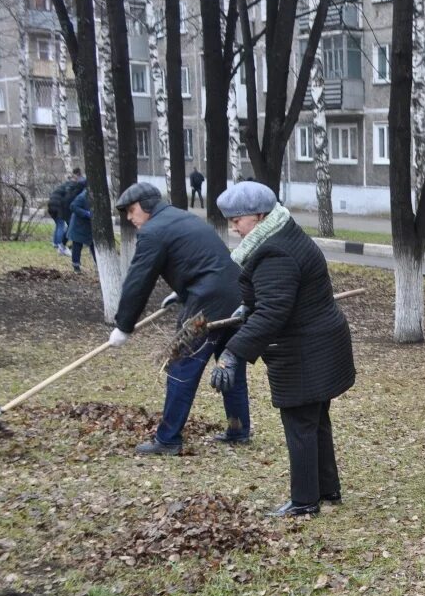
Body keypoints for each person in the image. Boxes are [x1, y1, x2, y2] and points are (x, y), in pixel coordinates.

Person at [211, 181, 355, 518]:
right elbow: (277, 297)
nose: (234, 226)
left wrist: (233, 353)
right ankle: (326, 488)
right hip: (320, 342)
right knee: (315, 420)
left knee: (300, 423)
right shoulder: (284, 232)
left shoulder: (274, 250)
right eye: (231, 220)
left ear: (259, 216)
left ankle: (305, 501)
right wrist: (248, 307)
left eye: (238, 220)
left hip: (306, 350)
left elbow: (274, 311)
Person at [108, 182, 251, 455]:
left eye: (131, 210)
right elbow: (202, 261)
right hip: (236, 298)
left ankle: (168, 439)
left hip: (208, 305)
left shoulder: (153, 231)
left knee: (181, 369)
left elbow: (138, 281)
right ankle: (238, 430)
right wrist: (181, 293)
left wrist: (123, 325)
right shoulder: (182, 217)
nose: (129, 217)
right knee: (229, 366)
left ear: (147, 205)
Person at [48, 169, 83, 255]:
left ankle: (55, 243)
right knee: (61, 225)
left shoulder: (65, 184)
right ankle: (60, 244)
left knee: (58, 224)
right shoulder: (71, 185)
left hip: (51, 202)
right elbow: (68, 198)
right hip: (58, 204)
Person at [65, 180, 93, 273]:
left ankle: (99, 265)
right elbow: (73, 206)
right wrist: (86, 213)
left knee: (93, 245)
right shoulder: (82, 196)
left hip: (87, 226)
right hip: (78, 226)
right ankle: (76, 266)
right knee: (77, 246)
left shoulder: (94, 195)